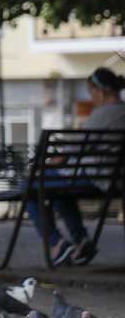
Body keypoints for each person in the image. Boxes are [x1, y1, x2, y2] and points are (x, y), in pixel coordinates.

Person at [24, 66, 125, 266]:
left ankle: (56, 243)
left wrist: (48, 164)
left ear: (100, 91)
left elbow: (71, 152)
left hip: (99, 178)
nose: (92, 98)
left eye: (91, 93)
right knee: (60, 190)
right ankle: (80, 241)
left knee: (30, 188)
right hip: (117, 178)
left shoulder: (102, 115)